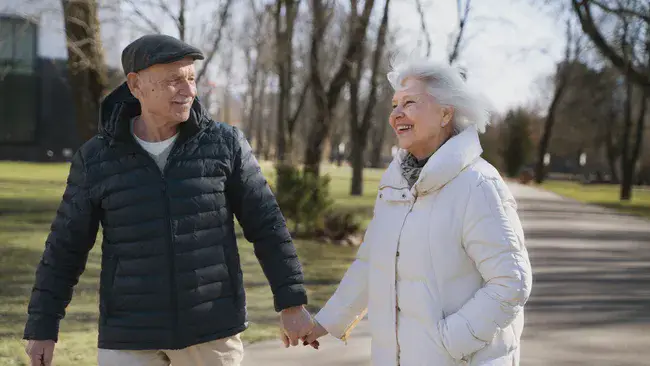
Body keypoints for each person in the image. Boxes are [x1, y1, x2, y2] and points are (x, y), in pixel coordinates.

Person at [23, 34, 314, 366]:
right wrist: (42, 326)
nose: (189, 91)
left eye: (191, 79)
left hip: (211, 330)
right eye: (175, 80)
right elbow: (65, 248)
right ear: (135, 85)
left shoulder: (225, 144)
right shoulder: (97, 158)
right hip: (130, 335)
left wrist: (292, 304)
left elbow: (268, 226)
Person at [303, 60, 533, 365]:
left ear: (445, 113)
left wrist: (446, 343)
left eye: (410, 102)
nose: (396, 114)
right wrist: (326, 322)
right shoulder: (395, 184)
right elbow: (372, 262)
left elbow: (512, 282)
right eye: (395, 104)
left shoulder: (478, 184)